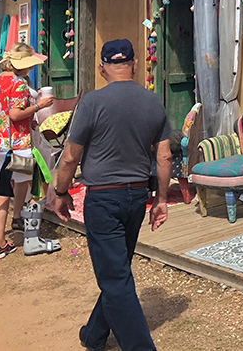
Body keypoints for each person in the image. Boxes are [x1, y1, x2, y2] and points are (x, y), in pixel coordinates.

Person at [51, 39, 172, 351]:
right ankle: (94, 335)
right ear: (134, 64)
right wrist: (160, 200)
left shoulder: (92, 102)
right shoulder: (153, 102)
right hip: (136, 198)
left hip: (103, 199)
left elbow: (69, 157)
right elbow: (165, 157)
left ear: (102, 68)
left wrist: (61, 191)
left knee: (115, 278)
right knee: (117, 270)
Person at [0, 43, 53, 260]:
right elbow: (15, 114)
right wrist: (39, 107)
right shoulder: (19, 84)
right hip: (16, 145)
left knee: (3, 189)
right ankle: (25, 234)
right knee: (39, 180)